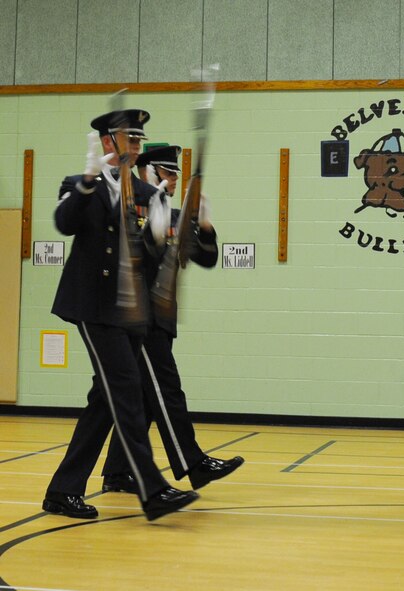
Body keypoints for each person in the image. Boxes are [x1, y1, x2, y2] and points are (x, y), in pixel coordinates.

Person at [42, 110, 199, 521]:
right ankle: (152, 490)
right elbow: (65, 222)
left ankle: (62, 490)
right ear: (108, 143)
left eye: (137, 142)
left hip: (130, 313)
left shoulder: (147, 196)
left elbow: (147, 253)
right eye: (129, 140)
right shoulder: (80, 185)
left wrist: (161, 230)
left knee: (106, 401)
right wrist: (90, 181)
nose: (135, 148)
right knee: (128, 392)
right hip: (93, 307)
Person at [100, 145, 244, 495]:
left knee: (145, 399)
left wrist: (205, 225)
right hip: (139, 318)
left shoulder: (175, 214)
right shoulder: (130, 209)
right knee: (166, 391)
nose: (174, 179)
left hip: (162, 317)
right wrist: (152, 218)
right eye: (166, 173)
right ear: (147, 172)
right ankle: (192, 463)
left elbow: (206, 258)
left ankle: (119, 473)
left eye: (176, 174)